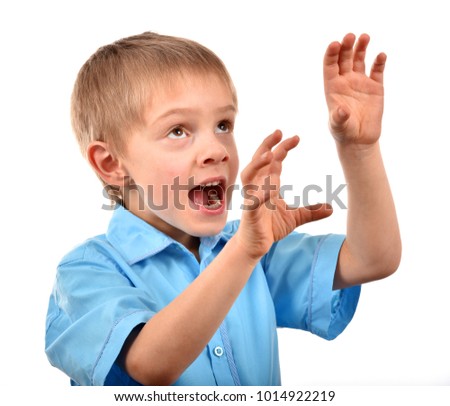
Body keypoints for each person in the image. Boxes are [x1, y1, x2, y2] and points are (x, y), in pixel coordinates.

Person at [45, 31, 401, 386]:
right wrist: (244, 252)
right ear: (111, 163)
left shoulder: (253, 248)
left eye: (223, 125)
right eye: (178, 130)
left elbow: (374, 259)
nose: (217, 148)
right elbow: (150, 365)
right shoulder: (86, 271)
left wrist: (359, 150)